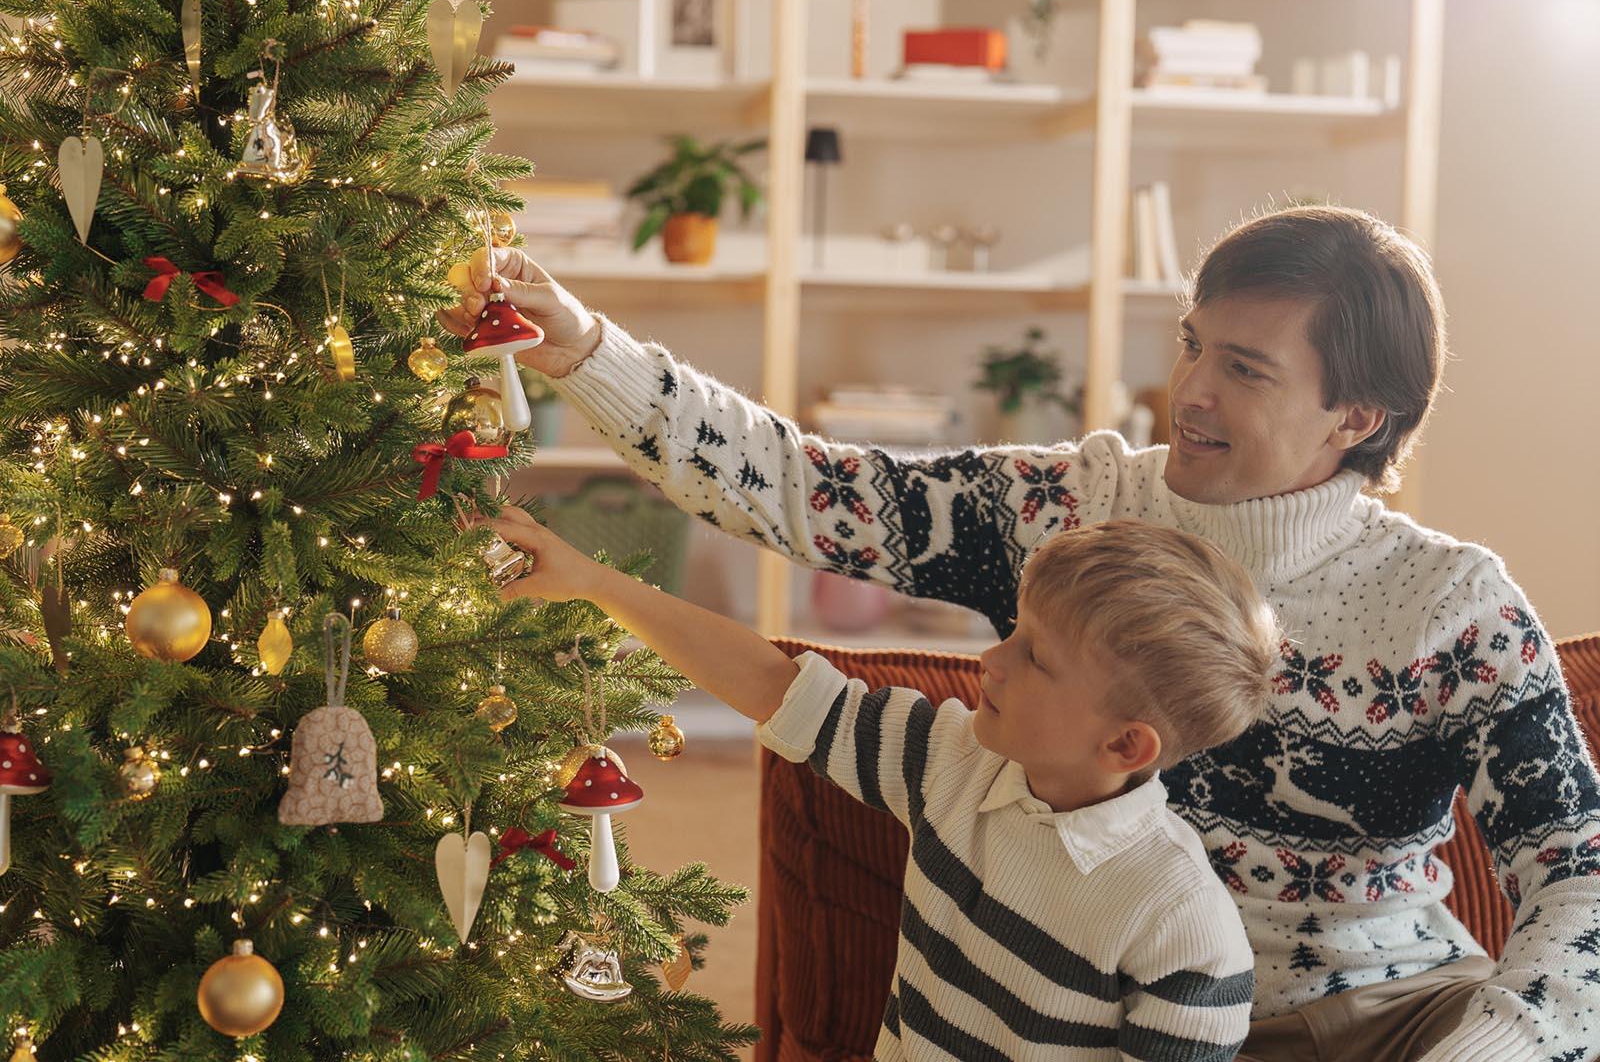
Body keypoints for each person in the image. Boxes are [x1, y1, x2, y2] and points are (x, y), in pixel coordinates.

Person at [440, 205, 1600, 1061]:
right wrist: (581, 349)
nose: (1189, 390)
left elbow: (1578, 876)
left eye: (1243, 369)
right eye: (1192, 343)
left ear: (1356, 417)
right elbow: (808, 488)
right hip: (1105, 1001)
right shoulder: (1073, 504)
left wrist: (1484, 1049)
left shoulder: (1450, 608)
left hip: (1380, 1016)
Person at [485, 508, 1279, 1060]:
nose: (991, 660)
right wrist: (594, 582)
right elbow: (772, 684)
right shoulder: (952, 761)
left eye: (1035, 656)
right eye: (1013, 631)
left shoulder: (1185, 932)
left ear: (1125, 744)